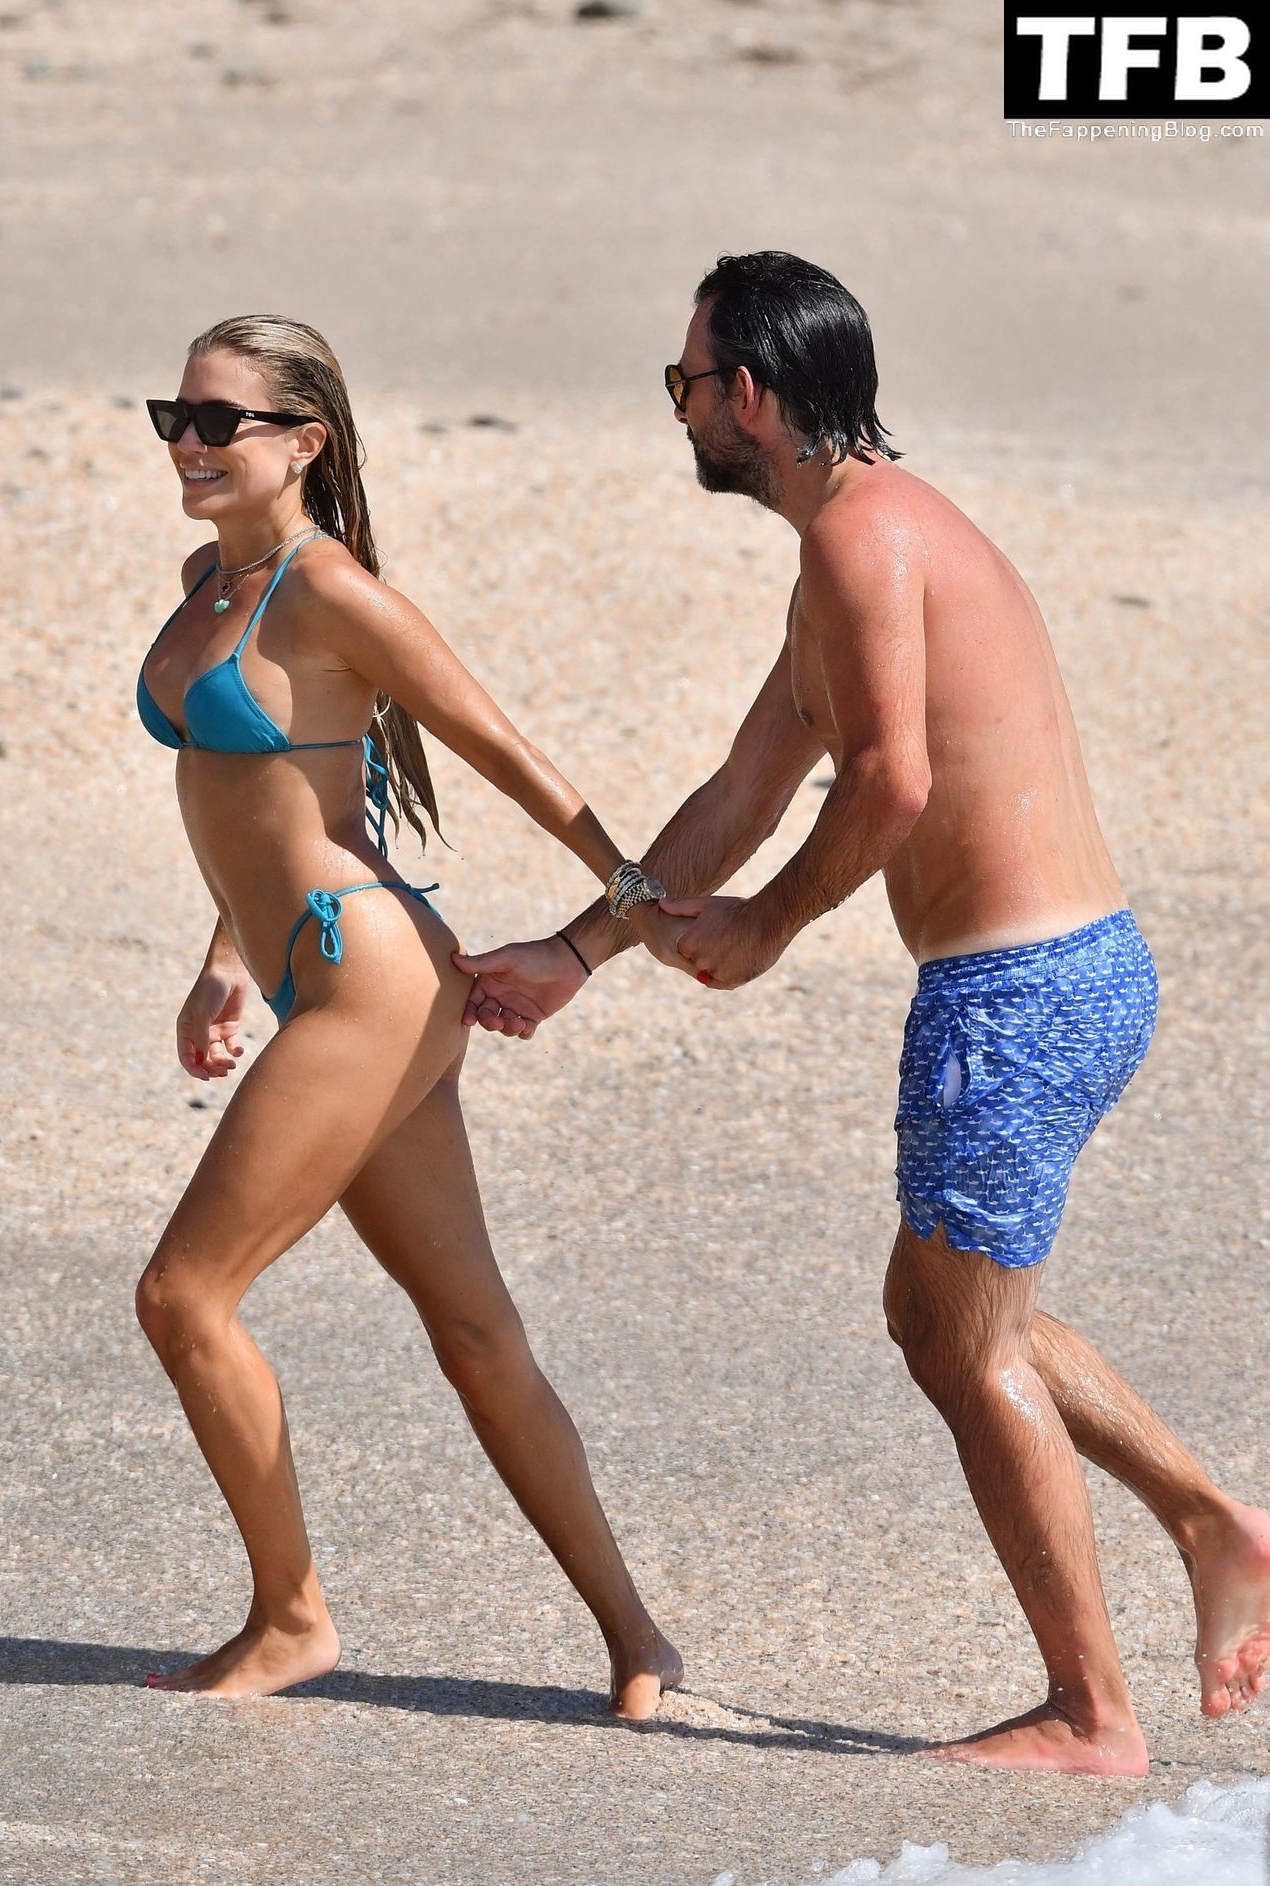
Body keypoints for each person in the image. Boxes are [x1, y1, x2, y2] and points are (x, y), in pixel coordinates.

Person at [453, 251, 1270, 1775]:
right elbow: (742, 791)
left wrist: (769, 926)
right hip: (1068, 975)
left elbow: (889, 781)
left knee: (964, 1352)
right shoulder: (867, 537)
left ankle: (1090, 1714)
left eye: (687, 383)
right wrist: (578, 953)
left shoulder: (861, 542)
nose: (679, 410)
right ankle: (1213, 1521)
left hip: (1014, 996)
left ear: (752, 397)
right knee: (947, 1318)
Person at [133, 314, 681, 1714]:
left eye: (219, 421)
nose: (187, 442)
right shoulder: (210, 580)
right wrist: (223, 955)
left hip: (369, 981)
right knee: (474, 1334)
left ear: (304, 442)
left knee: (185, 1296)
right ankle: (641, 1643)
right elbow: (284, 797)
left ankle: (291, 1621)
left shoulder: (330, 591)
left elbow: (503, 750)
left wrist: (622, 912)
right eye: (173, 417)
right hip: (314, 971)